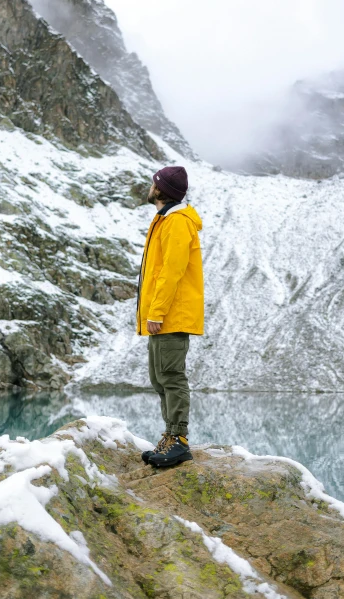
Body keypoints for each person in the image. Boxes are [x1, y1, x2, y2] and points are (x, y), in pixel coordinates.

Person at [136, 165, 204, 467]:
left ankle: (179, 439)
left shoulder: (177, 222)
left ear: (162, 190)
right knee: (159, 377)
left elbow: (172, 271)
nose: (150, 186)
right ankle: (169, 437)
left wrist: (158, 311)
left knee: (171, 377)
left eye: (154, 183)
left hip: (171, 315)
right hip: (163, 315)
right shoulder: (165, 219)